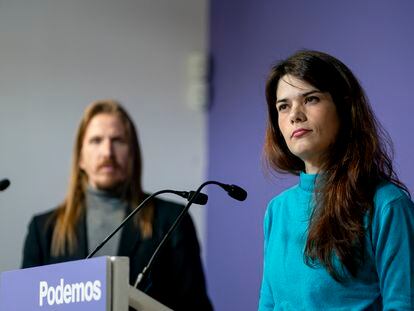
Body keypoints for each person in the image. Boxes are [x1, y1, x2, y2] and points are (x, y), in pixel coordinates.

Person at [259, 50, 414, 310]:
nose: (295, 114)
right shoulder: (277, 210)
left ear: (344, 108)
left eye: (311, 99)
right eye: (283, 106)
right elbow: (268, 304)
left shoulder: (387, 205)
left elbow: (403, 304)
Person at [22, 99, 213, 310]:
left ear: (132, 154)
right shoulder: (43, 230)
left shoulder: (172, 220)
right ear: (80, 157)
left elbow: (196, 306)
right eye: (96, 140)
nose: (107, 152)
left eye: (118, 140)